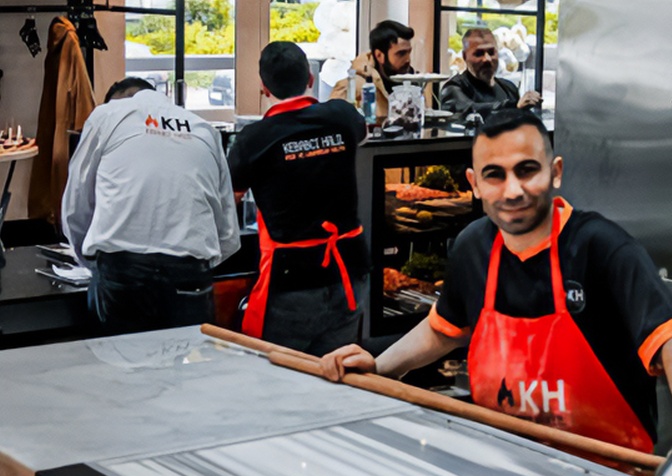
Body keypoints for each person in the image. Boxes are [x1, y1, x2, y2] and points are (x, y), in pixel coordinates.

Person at [322, 109, 672, 460]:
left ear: (555, 173)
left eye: (526, 170)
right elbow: (443, 327)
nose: (512, 190)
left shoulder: (602, 247)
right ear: (475, 184)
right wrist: (380, 368)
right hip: (505, 464)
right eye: (494, 176)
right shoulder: (474, 247)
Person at [61, 77, 241, 335]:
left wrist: (90, 261)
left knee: (117, 371)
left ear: (120, 100)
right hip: (190, 273)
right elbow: (228, 234)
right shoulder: (204, 129)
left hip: (123, 272)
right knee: (185, 372)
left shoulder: (108, 114)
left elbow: (76, 206)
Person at [228, 41, 370, 357]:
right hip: (350, 270)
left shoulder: (253, 139)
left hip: (292, 282)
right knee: (338, 370)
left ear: (265, 88)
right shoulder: (343, 115)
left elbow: (229, 202)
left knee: (280, 381)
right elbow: (362, 135)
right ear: (310, 78)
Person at [440, 28, 542, 119]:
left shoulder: (509, 88)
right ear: (465, 56)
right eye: (479, 54)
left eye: (491, 52)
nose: (487, 59)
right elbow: (468, 110)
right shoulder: (452, 88)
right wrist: (513, 107)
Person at [330, 20, 416, 119]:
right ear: (379, 55)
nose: (408, 60)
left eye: (409, 52)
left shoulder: (412, 82)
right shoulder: (352, 87)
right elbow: (332, 126)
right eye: (401, 54)